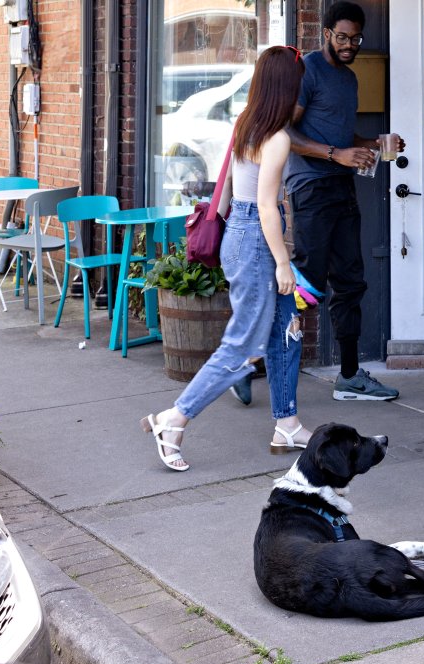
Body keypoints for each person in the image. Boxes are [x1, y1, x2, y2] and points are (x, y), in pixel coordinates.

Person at [141, 46, 311, 472]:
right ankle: (174, 419)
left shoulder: (247, 124)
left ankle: (287, 423)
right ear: (287, 87)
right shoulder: (277, 138)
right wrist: (283, 262)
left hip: (243, 233)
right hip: (257, 239)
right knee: (241, 346)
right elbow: (267, 207)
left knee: (287, 330)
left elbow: (232, 189)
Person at [285, 1, 404, 401]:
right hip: (311, 187)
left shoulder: (349, 79)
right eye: (342, 37)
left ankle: (350, 376)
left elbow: (342, 134)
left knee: (350, 282)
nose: (349, 44)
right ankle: (251, 359)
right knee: (307, 282)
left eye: (355, 38)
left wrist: (373, 144)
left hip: (341, 186)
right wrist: (337, 155)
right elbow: (288, 132)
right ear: (326, 34)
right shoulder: (307, 71)